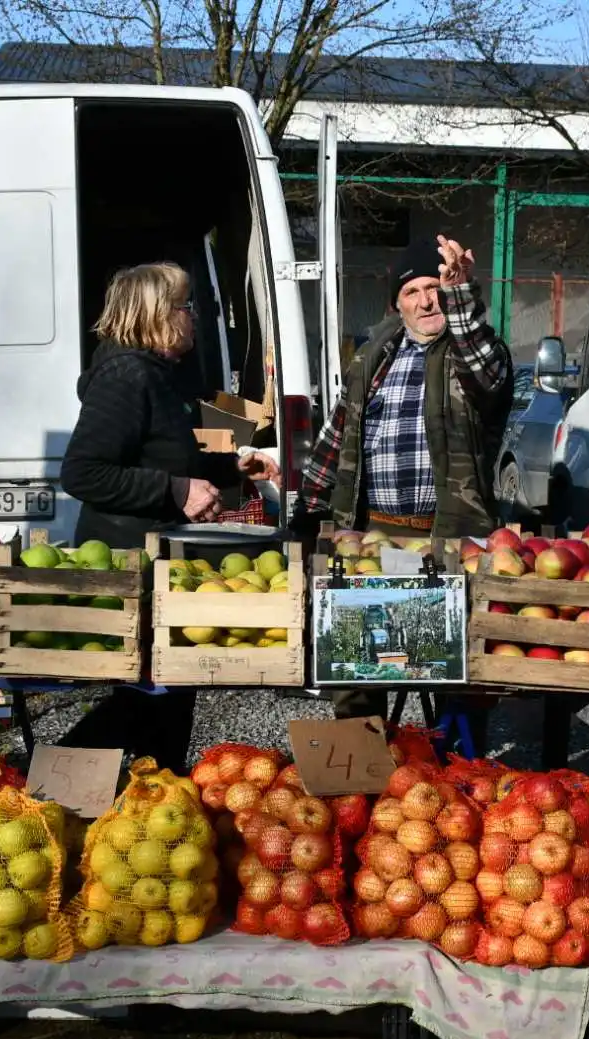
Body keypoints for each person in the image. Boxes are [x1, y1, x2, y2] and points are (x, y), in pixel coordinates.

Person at [58, 261, 279, 773]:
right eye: (184, 305)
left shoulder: (166, 377)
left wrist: (235, 463)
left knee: (169, 693)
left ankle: (152, 789)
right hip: (128, 562)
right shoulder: (125, 377)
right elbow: (83, 473)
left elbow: (176, 449)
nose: (194, 315)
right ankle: (58, 776)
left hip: (164, 564)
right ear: (157, 314)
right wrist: (174, 489)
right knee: (149, 696)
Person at [291, 234, 513, 729]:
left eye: (434, 287)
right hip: (378, 535)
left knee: (454, 665)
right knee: (358, 661)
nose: (426, 300)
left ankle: (457, 773)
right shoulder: (374, 359)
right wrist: (308, 509)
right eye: (413, 291)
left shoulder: (473, 355)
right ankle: (362, 771)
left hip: (452, 537)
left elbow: (485, 369)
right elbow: (338, 437)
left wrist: (462, 295)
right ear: (397, 303)